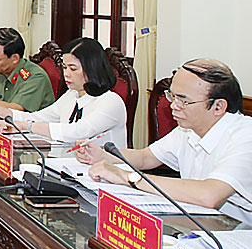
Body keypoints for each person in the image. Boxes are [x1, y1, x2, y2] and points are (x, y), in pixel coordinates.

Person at [78, 59, 252, 222]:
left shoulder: (245, 136)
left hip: (238, 234)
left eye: (183, 101)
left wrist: (126, 177)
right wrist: (103, 156)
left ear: (218, 106)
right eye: (172, 96)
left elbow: (209, 195)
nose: (173, 106)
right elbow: (146, 157)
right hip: (201, 223)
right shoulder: (187, 130)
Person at [0, 38, 126, 147]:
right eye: (64, 67)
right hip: (69, 165)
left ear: (92, 68)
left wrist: (26, 126)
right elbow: (37, 117)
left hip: (105, 173)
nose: (66, 74)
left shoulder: (110, 101)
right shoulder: (72, 95)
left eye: (73, 69)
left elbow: (77, 131)